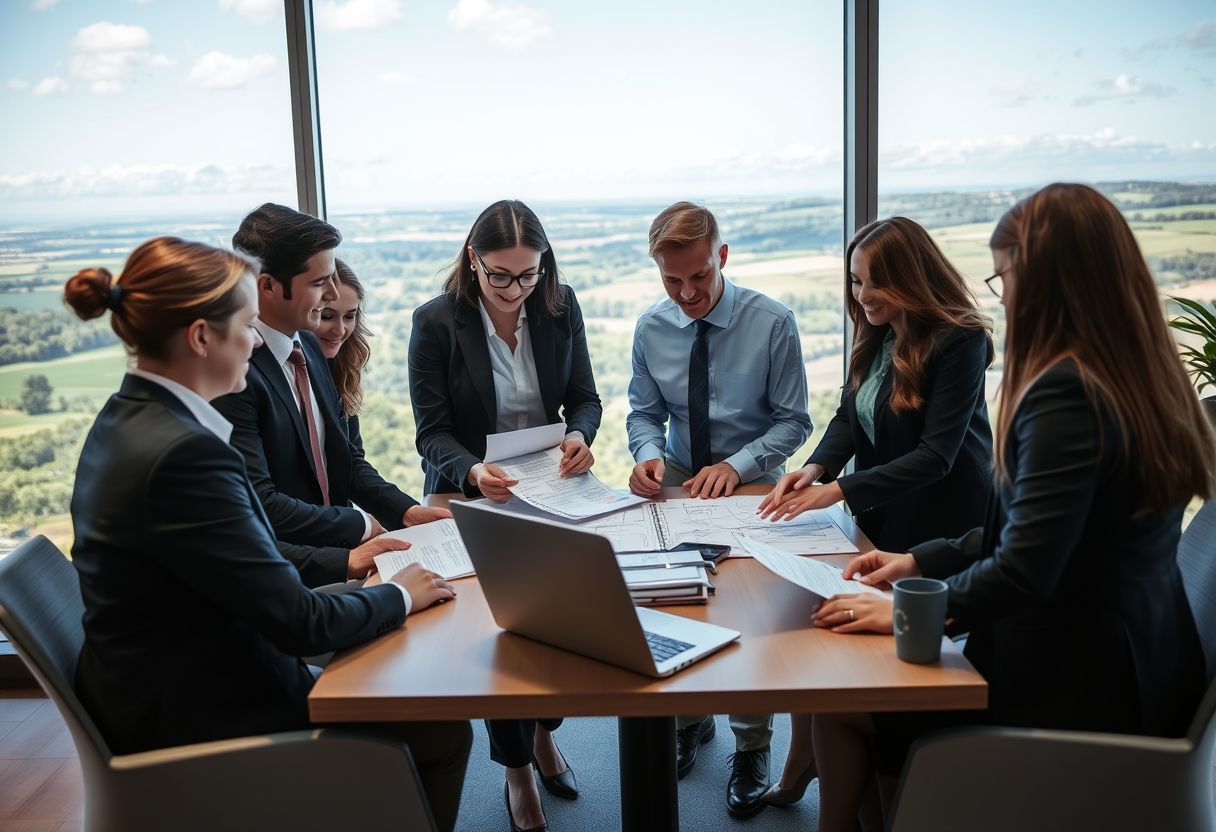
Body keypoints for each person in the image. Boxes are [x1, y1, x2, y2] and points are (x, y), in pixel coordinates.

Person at [809, 183, 1214, 831]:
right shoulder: (1139, 372)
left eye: (1005, 277)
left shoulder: (1066, 394)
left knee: (846, 699)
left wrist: (910, 608)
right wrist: (917, 558)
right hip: (1139, 670)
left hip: (1076, 693)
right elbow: (1042, 533)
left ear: (1047, 280)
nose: (1005, 295)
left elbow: (1025, 569)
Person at [65, 237, 472, 832]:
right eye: (246, 324)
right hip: (204, 717)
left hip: (157, 684)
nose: (257, 341)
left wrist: (346, 562)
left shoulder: (127, 417)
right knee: (440, 731)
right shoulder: (187, 455)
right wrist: (400, 594)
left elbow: (229, 557)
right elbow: (299, 623)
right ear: (202, 337)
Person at [754, 217, 995, 806]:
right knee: (828, 633)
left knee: (878, 665)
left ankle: (875, 780)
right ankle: (812, 769)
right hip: (884, 517)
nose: (862, 297)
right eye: (856, 282)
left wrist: (838, 491)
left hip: (942, 520)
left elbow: (936, 456)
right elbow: (847, 417)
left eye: (875, 284)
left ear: (913, 279)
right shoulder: (878, 331)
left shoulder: (960, 339)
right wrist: (814, 469)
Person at [409, 199, 600, 831]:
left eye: (529, 274)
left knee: (552, 618)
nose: (516, 290)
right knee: (500, 627)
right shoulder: (436, 323)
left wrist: (581, 437)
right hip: (474, 493)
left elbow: (585, 399)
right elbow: (432, 433)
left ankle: (544, 735)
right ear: (473, 261)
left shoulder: (558, 303)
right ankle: (518, 766)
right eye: (500, 276)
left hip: (554, 485)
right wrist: (471, 471)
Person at [626, 201, 812, 817]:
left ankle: (752, 743)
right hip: (680, 476)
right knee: (675, 596)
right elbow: (644, 413)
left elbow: (794, 423)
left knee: (749, 612)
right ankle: (688, 720)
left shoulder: (773, 322)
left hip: (754, 481)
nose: (686, 293)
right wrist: (650, 454)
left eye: (698, 277)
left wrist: (738, 466)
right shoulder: (652, 327)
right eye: (671, 281)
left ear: (722, 258)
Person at [214, 204, 448, 575]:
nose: (332, 293)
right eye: (319, 282)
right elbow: (260, 502)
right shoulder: (234, 374)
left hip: (340, 557)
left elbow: (344, 459)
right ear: (268, 286)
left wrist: (404, 511)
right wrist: (361, 526)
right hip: (289, 573)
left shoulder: (307, 346)